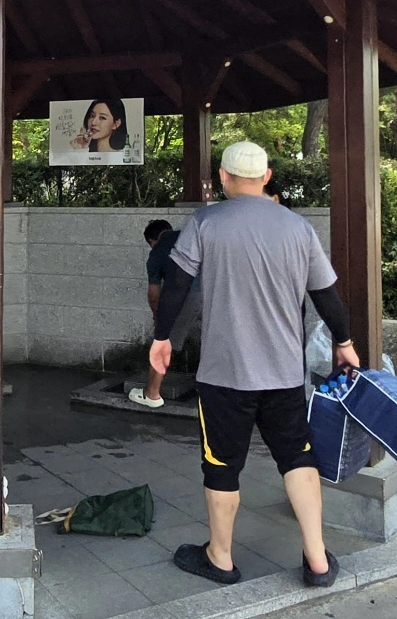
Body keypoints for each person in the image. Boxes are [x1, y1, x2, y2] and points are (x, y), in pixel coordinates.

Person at [149, 141, 359, 589]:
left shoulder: (205, 222)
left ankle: (220, 558)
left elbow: (176, 287)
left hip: (224, 376)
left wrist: (162, 338)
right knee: (297, 456)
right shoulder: (297, 228)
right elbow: (326, 296)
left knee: (221, 465)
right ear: (266, 177)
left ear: (222, 178)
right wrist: (344, 342)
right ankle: (317, 559)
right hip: (284, 375)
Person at [129, 219, 201, 410]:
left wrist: (159, 319)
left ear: (153, 240)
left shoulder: (157, 253)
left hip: (187, 294)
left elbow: (154, 295)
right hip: (218, 290)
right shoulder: (190, 237)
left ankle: (152, 393)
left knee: (163, 340)